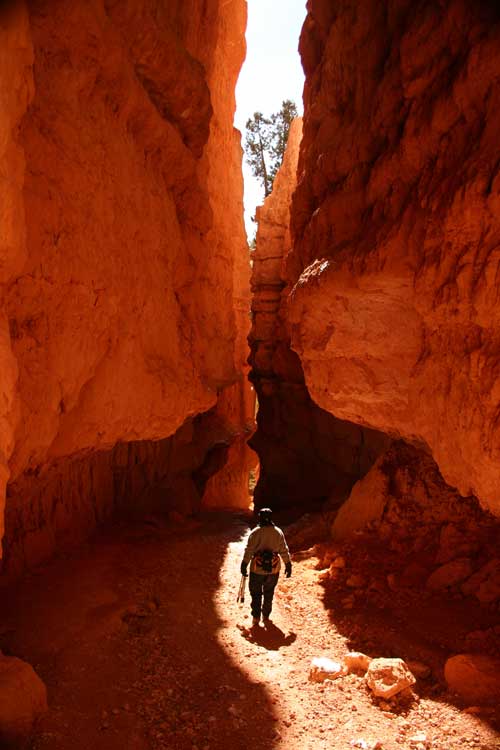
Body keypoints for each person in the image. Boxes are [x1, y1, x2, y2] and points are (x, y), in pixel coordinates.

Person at [240, 507, 292, 626]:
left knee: (256, 594)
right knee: (269, 593)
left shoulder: (255, 532)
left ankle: (256, 617)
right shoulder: (278, 532)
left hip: (256, 569)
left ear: (260, 517)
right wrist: (288, 565)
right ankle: (266, 616)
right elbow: (284, 550)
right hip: (273, 569)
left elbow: (249, 550)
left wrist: (244, 565)